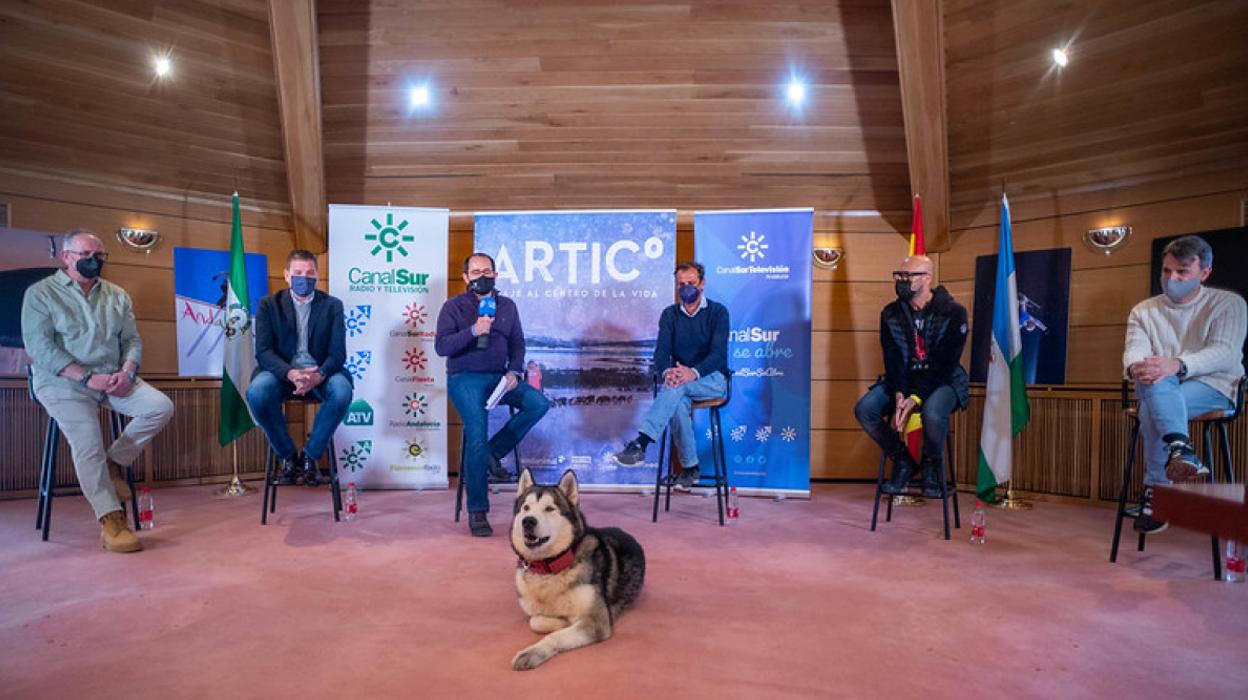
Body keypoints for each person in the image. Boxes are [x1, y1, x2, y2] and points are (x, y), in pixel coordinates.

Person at [21, 229, 175, 553]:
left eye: (99, 256)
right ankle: (111, 520)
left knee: (160, 407)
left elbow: (131, 339)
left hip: (112, 378)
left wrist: (127, 371)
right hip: (62, 382)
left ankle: (113, 463)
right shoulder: (40, 294)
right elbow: (40, 348)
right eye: (85, 256)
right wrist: (85, 378)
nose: (94, 262)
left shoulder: (117, 294)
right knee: (88, 440)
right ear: (66, 257)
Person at [1123, 235, 1246, 534]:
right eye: (1166, 271)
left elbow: (1225, 352)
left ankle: (1157, 488)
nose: (1171, 278)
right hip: (1162, 386)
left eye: (1181, 272)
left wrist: (1176, 364)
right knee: (1154, 383)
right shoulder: (1144, 310)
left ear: (1204, 273)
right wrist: (1137, 367)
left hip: (1215, 387)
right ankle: (1181, 450)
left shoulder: (1228, 303)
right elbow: (1134, 352)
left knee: (1152, 402)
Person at [436, 253, 550, 537]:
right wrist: (474, 330)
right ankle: (477, 511)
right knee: (476, 431)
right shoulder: (453, 307)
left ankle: (492, 453)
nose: (481, 276)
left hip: (501, 377)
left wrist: (514, 371)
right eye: (475, 272)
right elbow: (442, 346)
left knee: (538, 403)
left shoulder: (507, 306)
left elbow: (518, 343)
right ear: (466, 277)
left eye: (486, 271)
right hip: (465, 378)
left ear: (496, 275)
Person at [853, 255, 968, 498]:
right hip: (904, 379)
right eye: (899, 275)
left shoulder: (954, 313)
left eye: (908, 276)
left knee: (933, 413)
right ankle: (903, 460)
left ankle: (931, 464)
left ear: (927, 278)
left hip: (943, 381)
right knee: (865, 409)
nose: (901, 281)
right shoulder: (890, 313)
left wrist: (915, 398)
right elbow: (892, 359)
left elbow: (945, 365)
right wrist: (898, 393)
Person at [613, 262, 730, 489]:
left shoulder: (718, 312)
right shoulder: (669, 315)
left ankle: (641, 443)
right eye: (681, 284)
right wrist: (668, 372)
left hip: (712, 379)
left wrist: (692, 372)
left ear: (702, 284)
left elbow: (718, 355)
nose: (686, 288)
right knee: (676, 400)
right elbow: (661, 353)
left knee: (677, 388)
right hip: (679, 381)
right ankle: (691, 468)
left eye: (691, 284)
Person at [246, 250, 353, 487]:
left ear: (317, 275)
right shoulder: (268, 305)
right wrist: (291, 373)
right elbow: (263, 352)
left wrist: (319, 375)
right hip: (281, 374)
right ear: (286, 275)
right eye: (298, 273)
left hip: (321, 373)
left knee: (343, 390)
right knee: (257, 392)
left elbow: (338, 354)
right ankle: (287, 456)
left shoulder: (332, 305)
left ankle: (311, 456)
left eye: (309, 273)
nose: (304, 278)